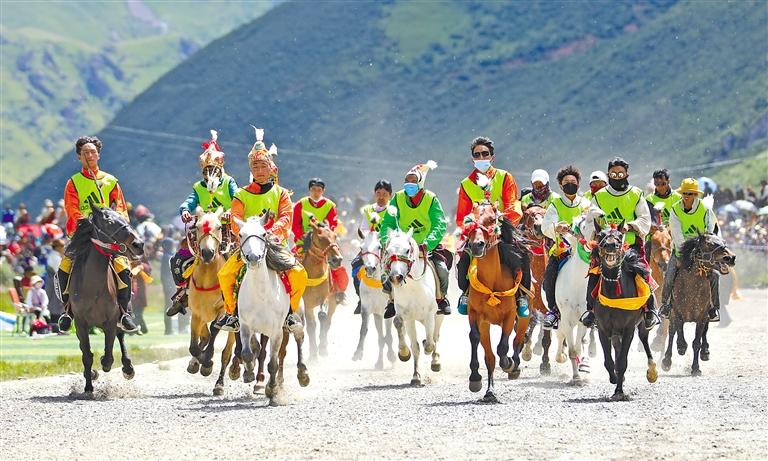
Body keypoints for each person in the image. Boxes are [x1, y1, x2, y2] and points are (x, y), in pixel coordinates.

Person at [214, 128, 307, 333]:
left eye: (263, 165)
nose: (259, 170)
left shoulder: (281, 193)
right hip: (248, 246)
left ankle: (290, 313)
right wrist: (246, 231)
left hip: (274, 245)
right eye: (255, 166)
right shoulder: (241, 194)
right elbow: (236, 219)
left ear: (270, 167)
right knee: (225, 274)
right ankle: (232, 314)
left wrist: (272, 233)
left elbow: (286, 217)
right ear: (251, 169)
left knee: (299, 273)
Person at [56, 136, 139, 333]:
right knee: (64, 267)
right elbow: (72, 209)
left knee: (123, 268)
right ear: (79, 157)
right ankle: (67, 311)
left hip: (107, 236)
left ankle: (124, 312)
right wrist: (87, 223)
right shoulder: (73, 183)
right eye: (85, 152)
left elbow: (120, 208)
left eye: (93, 152)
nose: (89, 155)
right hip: (83, 235)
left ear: (98, 155)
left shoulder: (111, 181)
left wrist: (114, 223)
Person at [454, 136, 529, 316]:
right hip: (477, 233)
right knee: (463, 261)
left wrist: (498, 225)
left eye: (485, 154)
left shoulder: (504, 177)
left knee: (523, 256)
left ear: (492, 157)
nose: (481, 157)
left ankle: (522, 296)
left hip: (502, 230)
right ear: (472, 159)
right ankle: (465, 293)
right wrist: (474, 227)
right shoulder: (466, 184)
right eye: (477, 155)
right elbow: (462, 217)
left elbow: (513, 206)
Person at [166, 131, 238, 317]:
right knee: (178, 259)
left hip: (225, 229)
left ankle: (238, 296)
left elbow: (237, 199)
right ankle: (183, 294)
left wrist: (231, 211)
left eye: (213, 169)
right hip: (202, 229)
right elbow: (189, 202)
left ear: (220, 168)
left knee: (239, 259)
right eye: (206, 170)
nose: (209, 173)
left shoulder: (229, 182)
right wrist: (184, 210)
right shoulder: (198, 187)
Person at [582, 157, 657, 330]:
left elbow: (645, 219)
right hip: (605, 248)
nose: (617, 176)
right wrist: (596, 222)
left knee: (643, 273)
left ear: (626, 174)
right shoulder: (599, 196)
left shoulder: (636, 194)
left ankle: (649, 310)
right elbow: (590, 221)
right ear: (608, 174)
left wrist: (630, 226)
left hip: (630, 246)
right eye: (613, 174)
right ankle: (591, 310)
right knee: (594, 273)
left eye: (620, 173)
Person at [379, 161, 450, 318]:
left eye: (413, 181)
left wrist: (428, 243)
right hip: (402, 246)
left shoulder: (431, 199)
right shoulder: (397, 198)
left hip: (426, 246)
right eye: (407, 181)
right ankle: (392, 300)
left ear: (420, 183)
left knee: (442, 270)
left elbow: (439, 224)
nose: (409, 184)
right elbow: (387, 223)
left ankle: (441, 299)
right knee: (386, 270)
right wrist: (386, 240)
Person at [659, 178, 721, 321]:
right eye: (685, 193)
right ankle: (665, 305)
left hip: (702, 253)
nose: (687, 196)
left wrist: (700, 250)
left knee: (715, 275)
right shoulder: (675, 209)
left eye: (690, 193)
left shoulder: (705, 209)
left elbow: (708, 232)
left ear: (696, 195)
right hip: (680, 252)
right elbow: (677, 235)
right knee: (669, 275)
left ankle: (714, 308)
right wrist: (689, 252)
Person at [541, 166, 590, 329]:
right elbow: (546, 226)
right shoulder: (555, 204)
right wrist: (556, 227)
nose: (570, 184)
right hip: (562, 250)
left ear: (579, 184)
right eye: (566, 182)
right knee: (550, 273)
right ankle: (554, 311)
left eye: (573, 181)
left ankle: (596, 308)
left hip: (584, 250)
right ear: (561, 186)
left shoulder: (586, 204)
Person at [292, 178, 347, 303]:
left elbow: (333, 224)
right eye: (313, 189)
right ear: (309, 190)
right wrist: (303, 236)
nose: (316, 192)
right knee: (290, 264)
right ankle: (290, 293)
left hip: (325, 243)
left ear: (323, 191)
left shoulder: (330, 205)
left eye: (319, 190)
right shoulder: (300, 204)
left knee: (337, 264)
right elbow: (295, 225)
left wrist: (326, 234)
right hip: (303, 243)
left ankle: (340, 292)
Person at [350, 180, 392, 315]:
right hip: (371, 246)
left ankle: (396, 299)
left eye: (385, 194)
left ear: (390, 195)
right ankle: (361, 298)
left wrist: (383, 237)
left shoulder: (393, 210)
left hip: (388, 246)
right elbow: (363, 228)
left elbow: (395, 228)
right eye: (378, 193)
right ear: (374, 194)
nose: (381, 197)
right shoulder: (368, 209)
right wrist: (371, 236)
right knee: (355, 265)